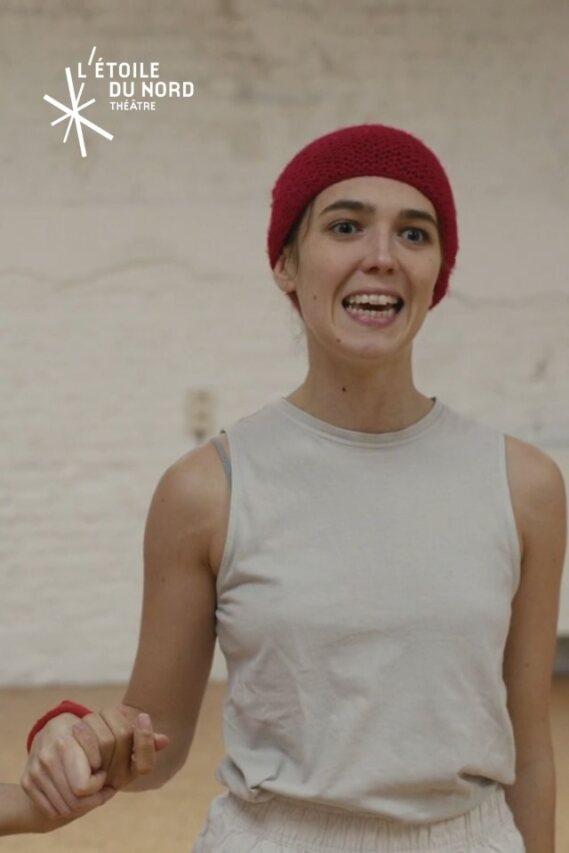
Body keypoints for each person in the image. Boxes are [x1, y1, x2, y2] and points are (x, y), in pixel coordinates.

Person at [18, 123, 565, 850]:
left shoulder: (524, 485)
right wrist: (69, 734)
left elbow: (529, 751)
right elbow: (153, 743)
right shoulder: (207, 490)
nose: (381, 256)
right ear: (285, 262)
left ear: (438, 271)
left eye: (413, 233)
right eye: (345, 226)